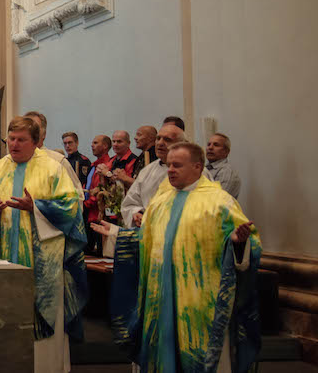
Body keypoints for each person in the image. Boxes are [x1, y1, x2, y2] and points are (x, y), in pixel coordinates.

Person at [94, 142, 260, 372]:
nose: (170, 169)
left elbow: (248, 243)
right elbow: (147, 240)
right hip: (160, 297)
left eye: (177, 165)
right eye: (169, 164)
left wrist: (237, 244)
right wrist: (117, 235)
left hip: (199, 302)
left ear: (197, 167)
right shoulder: (161, 201)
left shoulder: (219, 202)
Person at [0, 116, 87, 373]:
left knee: (43, 326)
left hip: (42, 263)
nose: (14, 144)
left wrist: (37, 207)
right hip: (2, 256)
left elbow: (71, 207)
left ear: (36, 142)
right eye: (11, 139)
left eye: (21, 140)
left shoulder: (53, 168)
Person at [120, 123, 184, 228]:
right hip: (149, 232)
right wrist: (136, 213)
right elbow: (130, 203)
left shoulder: (193, 171)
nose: (160, 143)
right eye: (158, 138)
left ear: (181, 143)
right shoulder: (147, 171)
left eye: (167, 140)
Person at [24, 111, 83, 195]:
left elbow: (75, 199)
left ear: (44, 134)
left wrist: (36, 207)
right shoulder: (9, 162)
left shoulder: (58, 161)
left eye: (35, 128)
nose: (30, 131)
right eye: (25, 127)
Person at [82, 135, 113, 254]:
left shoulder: (106, 166)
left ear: (105, 146)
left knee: (100, 251)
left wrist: (87, 204)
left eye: (95, 143)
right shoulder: (93, 165)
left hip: (99, 214)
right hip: (89, 213)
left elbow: (102, 189)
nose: (92, 145)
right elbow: (89, 186)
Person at [206, 132, 242, 199]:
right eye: (208, 144)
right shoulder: (205, 168)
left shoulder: (226, 172)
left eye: (216, 145)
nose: (210, 147)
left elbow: (216, 200)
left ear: (226, 151)